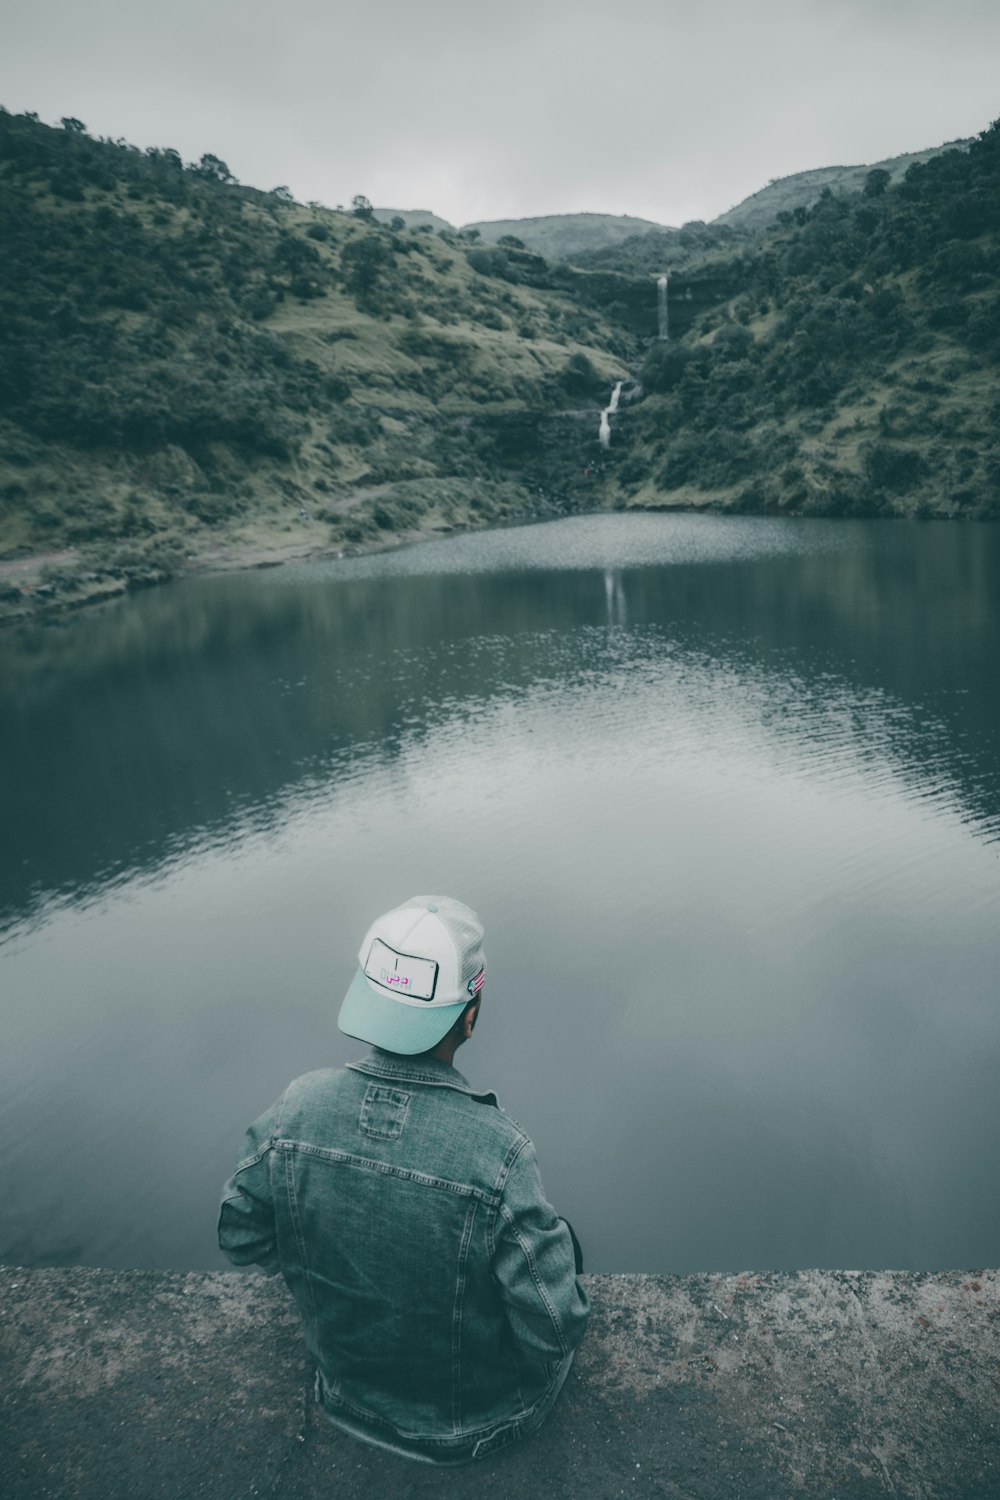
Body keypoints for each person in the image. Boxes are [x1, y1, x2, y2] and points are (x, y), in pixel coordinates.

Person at [218, 894, 589, 1465]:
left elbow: (242, 1237)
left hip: (342, 1398)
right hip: (472, 1428)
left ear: (368, 1001)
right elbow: (554, 1329)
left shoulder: (296, 1108)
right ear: (470, 1014)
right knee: (561, 1248)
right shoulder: (500, 1152)